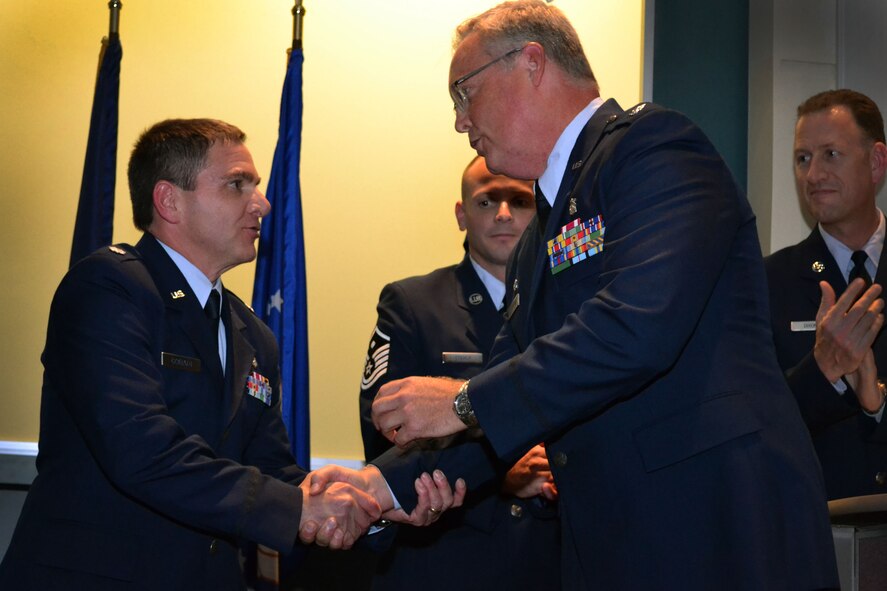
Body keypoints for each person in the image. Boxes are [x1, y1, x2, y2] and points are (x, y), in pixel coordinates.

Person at [333, 1, 841, 588]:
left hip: (719, 533)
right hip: (613, 547)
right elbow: (507, 393)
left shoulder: (656, 148)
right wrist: (376, 487)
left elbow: (637, 328)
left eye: (464, 93)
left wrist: (462, 400)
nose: (459, 122)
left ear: (530, 63)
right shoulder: (536, 241)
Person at [0, 118, 462, 590]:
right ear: (169, 201)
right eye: (237, 185)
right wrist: (300, 507)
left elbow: (271, 471)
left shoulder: (252, 334)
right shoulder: (108, 290)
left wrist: (375, 505)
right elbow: (141, 449)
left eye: (256, 186)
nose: (261, 202)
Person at [359, 156, 559, 589]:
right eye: (487, 201)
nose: (504, 214)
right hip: (446, 563)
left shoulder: (571, 309)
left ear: (540, 211)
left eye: (520, 200)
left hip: (552, 560)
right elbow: (384, 437)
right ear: (461, 214)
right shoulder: (412, 304)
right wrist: (497, 474)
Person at [766, 89, 887, 500]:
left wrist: (877, 404)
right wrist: (823, 369)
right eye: (803, 159)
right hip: (818, 538)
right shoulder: (767, 282)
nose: (813, 174)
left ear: (875, 163)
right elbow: (757, 423)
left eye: (830, 154)